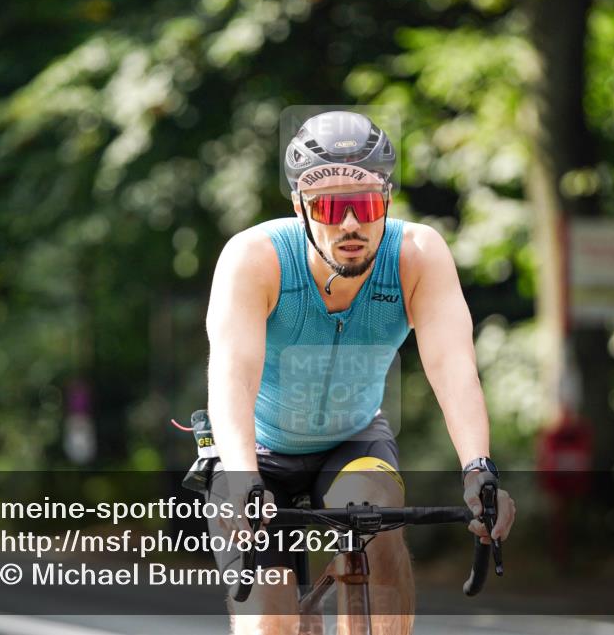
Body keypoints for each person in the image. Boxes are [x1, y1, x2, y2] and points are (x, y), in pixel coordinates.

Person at [203, 110, 516, 635]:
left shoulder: (416, 255)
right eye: (329, 206)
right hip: (255, 448)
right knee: (272, 622)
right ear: (301, 207)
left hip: (351, 440)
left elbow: (453, 365)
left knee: (380, 531)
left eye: (366, 205)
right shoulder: (254, 259)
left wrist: (478, 470)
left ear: (387, 202)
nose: (350, 224)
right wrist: (240, 482)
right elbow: (232, 379)